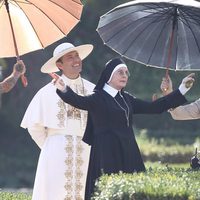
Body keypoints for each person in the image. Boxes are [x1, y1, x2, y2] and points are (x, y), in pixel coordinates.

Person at [54, 57, 193, 200]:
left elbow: (154, 108)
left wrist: (181, 90)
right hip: (107, 152)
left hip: (129, 150)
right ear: (109, 76)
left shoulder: (126, 98)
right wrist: (63, 88)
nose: (124, 75)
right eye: (120, 72)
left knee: (135, 191)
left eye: (126, 73)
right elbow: (79, 101)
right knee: (107, 191)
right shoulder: (98, 97)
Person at [20, 42, 95, 200]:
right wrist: (50, 146)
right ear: (59, 65)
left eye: (77, 56)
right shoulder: (46, 92)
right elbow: (34, 127)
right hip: (56, 153)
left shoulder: (93, 90)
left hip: (87, 150)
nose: (76, 60)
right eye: (70, 58)